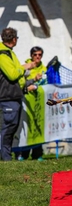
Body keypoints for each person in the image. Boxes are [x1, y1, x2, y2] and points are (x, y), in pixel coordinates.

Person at [0, 28, 35, 161]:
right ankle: (5, 157)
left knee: (12, 126)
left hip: (13, 95)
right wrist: (25, 67)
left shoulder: (8, 53)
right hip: (7, 96)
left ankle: (6, 156)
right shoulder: (3, 54)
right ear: (14, 39)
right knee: (8, 127)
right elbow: (12, 74)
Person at [16, 46, 47, 161]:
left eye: (40, 54)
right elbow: (20, 83)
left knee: (38, 127)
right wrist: (32, 81)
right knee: (26, 130)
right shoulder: (26, 67)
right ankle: (23, 154)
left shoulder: (44, 68)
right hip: (26, 102)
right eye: (35, 54)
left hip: (39, 103)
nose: (37, 57)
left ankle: (37, 154)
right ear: (31, 56)